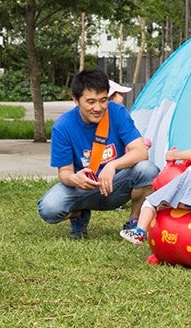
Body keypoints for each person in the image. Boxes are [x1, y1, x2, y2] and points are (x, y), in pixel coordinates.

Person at [37, 67, 157, 240]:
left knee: (148, 170)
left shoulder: (117, 112)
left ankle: (134, 222)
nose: (98, 108)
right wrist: (74, 179)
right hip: (83, 188)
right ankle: (79, 214)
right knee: (48, 209)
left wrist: (113, 165)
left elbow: (141, 151)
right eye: (90, 101)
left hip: (115, 185)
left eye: (103, 100)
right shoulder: (62, 126)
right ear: (76, 100)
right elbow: (64, 172)